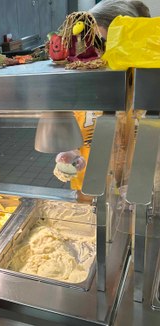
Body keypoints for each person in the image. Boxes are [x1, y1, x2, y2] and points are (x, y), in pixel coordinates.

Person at [54, 0, 151, 190]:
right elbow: (77, 135)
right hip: (90, 192)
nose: (96, 54)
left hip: (140, 200)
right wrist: (71, 155)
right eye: (90, 44)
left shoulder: (149, 92)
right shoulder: (84, 88)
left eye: (104, 44)